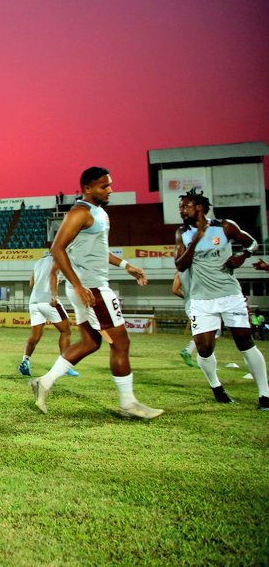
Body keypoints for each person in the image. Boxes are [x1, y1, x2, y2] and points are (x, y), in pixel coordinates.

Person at [30, 167, 162, 420]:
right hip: (92, 289)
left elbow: (99, 252)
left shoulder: (99, 213)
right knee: (121, 343)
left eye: (110, 184)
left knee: (90, 342)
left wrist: (127, 266)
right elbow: (58, 248)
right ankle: (128, 404)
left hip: (88, 286)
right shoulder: (80, 213)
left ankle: (43, 382)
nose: (110, 189)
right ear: (87, 188)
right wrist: (79, 285)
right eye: (104, 186)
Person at [175, 189, 268, 409]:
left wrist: (242, 256)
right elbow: (180, 264)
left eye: (185, 206)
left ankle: (265, 394)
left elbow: (252, 242)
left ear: (198, 207)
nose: (181, 210)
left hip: (230, 295)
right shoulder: (182, 233)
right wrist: (195, 241)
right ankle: (217, 387)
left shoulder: (225, 226)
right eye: (180, 206)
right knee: (204, 348)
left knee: (245, 342)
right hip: (201, 299)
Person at [18, 251, 77, 378]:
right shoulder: (58, 259)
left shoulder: (38, 262)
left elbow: (31, 284)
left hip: (34, 302)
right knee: (66, 331)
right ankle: (65, 366)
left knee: (35, 336)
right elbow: (53, 275)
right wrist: (54, 295)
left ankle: (25, 361)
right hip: (48, 300)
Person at [173, 270, 198, 367]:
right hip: (201, 304)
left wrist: (186, 297)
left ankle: (188, 351)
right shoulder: (202, 268)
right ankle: (190, 352)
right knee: (209, 333)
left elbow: (175, 290)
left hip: (190, 305)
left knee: (206, 332)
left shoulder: (179, 271)